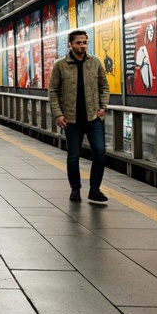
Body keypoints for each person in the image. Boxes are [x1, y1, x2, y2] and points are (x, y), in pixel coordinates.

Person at [48, 31, 110, 203]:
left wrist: (103, 107)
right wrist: (58, 114)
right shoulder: (60, 65)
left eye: (85, 42)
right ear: (71, 44)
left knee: (100, 152)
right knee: (73, 155)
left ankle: (94, 189)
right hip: (71, 118)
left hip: (93, 117)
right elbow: (53, 91)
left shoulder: (95, 62)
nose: (82, 46)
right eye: (79, 43)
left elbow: (104, 86)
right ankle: (75, 190)